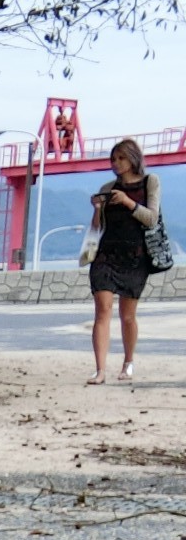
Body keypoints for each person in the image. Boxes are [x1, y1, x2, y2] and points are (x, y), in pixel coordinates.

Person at [87, 137, 162, 383]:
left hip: (135, 256)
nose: (116, 163)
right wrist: (98, 209)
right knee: (102, 310)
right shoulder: (108, 186)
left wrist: (128, 202)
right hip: (106, 254)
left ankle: (128, 362)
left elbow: (151, 218)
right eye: (113, 159)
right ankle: (100, 370)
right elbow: (97, 228)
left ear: (133, 158)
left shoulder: (150, 182)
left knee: (127, 315)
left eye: (121, 158)